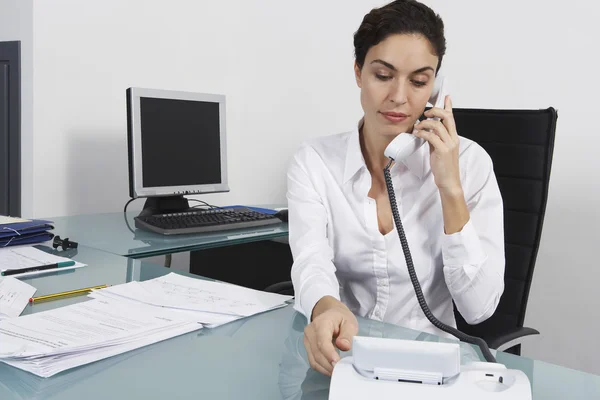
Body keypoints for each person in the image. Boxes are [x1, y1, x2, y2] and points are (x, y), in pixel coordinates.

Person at [286, 0, 505, 377]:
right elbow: (311, 260)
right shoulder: (314, 161)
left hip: (434, 370)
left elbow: (478, 308)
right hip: (345, 359)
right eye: (383, 75)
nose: (400, 96)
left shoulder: (470, 164)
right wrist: (326, 306)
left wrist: (449, 187)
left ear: (436, 88)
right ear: (358, 72)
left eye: (419, 81)